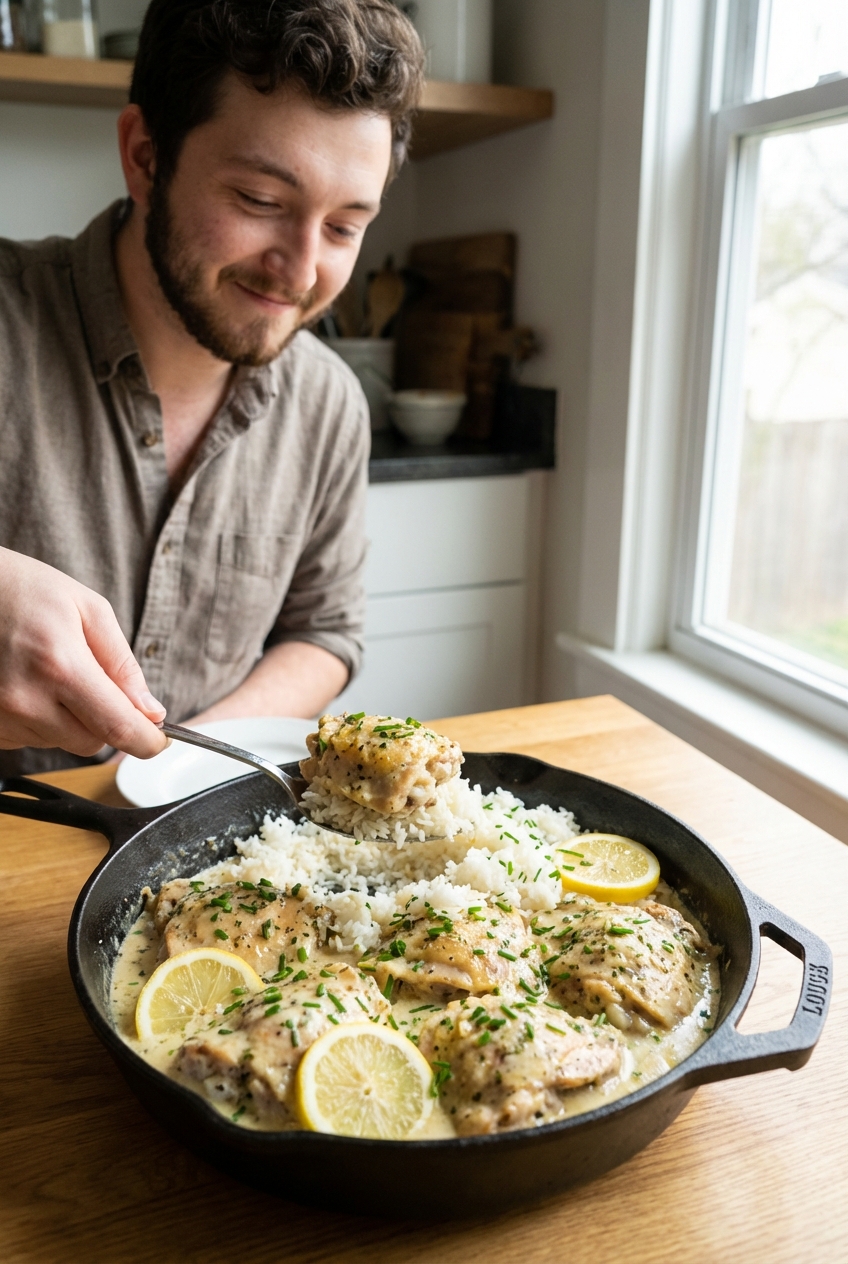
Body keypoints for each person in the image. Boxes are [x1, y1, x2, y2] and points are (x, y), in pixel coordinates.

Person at [0, 0, 424, 776]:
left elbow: (324, 633)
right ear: (144, 156)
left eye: (343, 227)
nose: (300, 273)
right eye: (260, 202)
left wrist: (169, 773)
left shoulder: (330, 404)